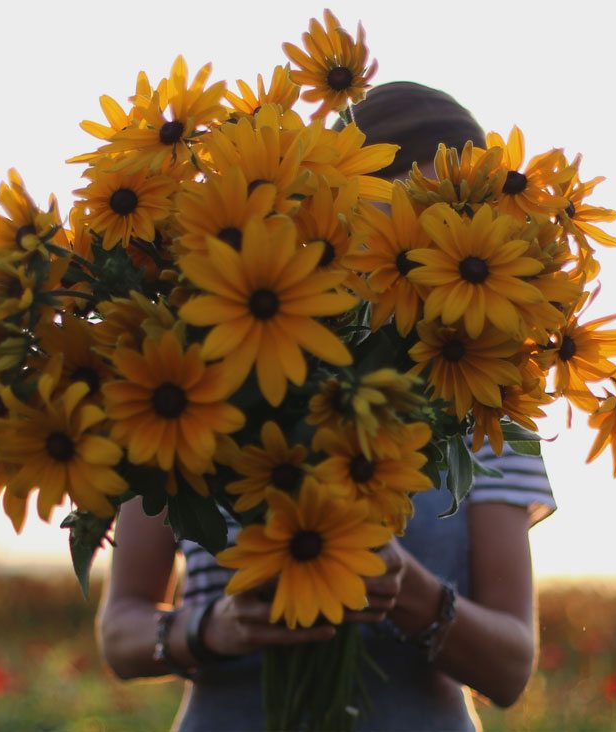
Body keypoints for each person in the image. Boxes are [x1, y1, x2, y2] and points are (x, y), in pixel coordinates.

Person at [96, 82, 556, 732]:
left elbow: (512, 669)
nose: (428, 248)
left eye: (456, 222)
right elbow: (120, 632)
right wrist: (211, 628)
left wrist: (413, 596)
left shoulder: (487, 409)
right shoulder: (193, 380)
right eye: (405, 217)